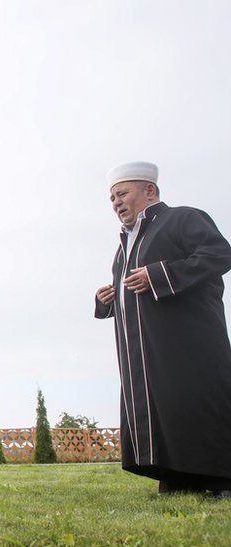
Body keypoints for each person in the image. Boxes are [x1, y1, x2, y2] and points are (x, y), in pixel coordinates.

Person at [95, 161, 231, 500]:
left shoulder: (183, 218)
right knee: (165, 408)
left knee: (198, 401)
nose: (116, 203)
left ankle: (221, 479)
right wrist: (108, 299)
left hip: (190, 343)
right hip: (145, 352)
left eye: (122, 194)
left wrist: (158, 275)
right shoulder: (123, 246)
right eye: (112, 198)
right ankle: (177, 475)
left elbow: (219, 255)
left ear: (149, 191)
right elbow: (133, 292)